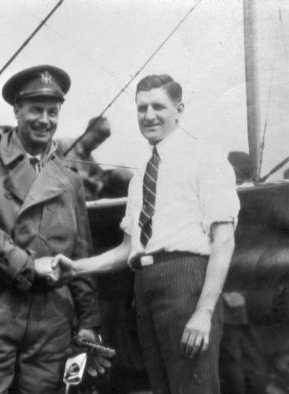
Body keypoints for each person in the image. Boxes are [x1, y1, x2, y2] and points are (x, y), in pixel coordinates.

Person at [52, 74, 240, 394]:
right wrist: (78, 267)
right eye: (141, 108)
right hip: (144, 287)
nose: (149, 115)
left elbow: (224, 240)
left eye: (158, 107)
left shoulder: (205, 158)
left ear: (178, 110)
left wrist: (203, 312)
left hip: (185, 282)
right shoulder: (140, 176)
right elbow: (130, 248)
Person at [0, 65, 108, 394]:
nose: (44, 120)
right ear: (17, 111)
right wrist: (28, 265)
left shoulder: (70, 181)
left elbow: (80, 254)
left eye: (53, 111)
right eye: (35, 109)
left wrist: (89, 322)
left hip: (50, 324)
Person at [57, 117, 111, 200]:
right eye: (95, 139)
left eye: (101, 142)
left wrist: (96, 183)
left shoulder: (92, 162)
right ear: (87, 131)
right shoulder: (63, 144)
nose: (96, 145)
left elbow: (100, 180)